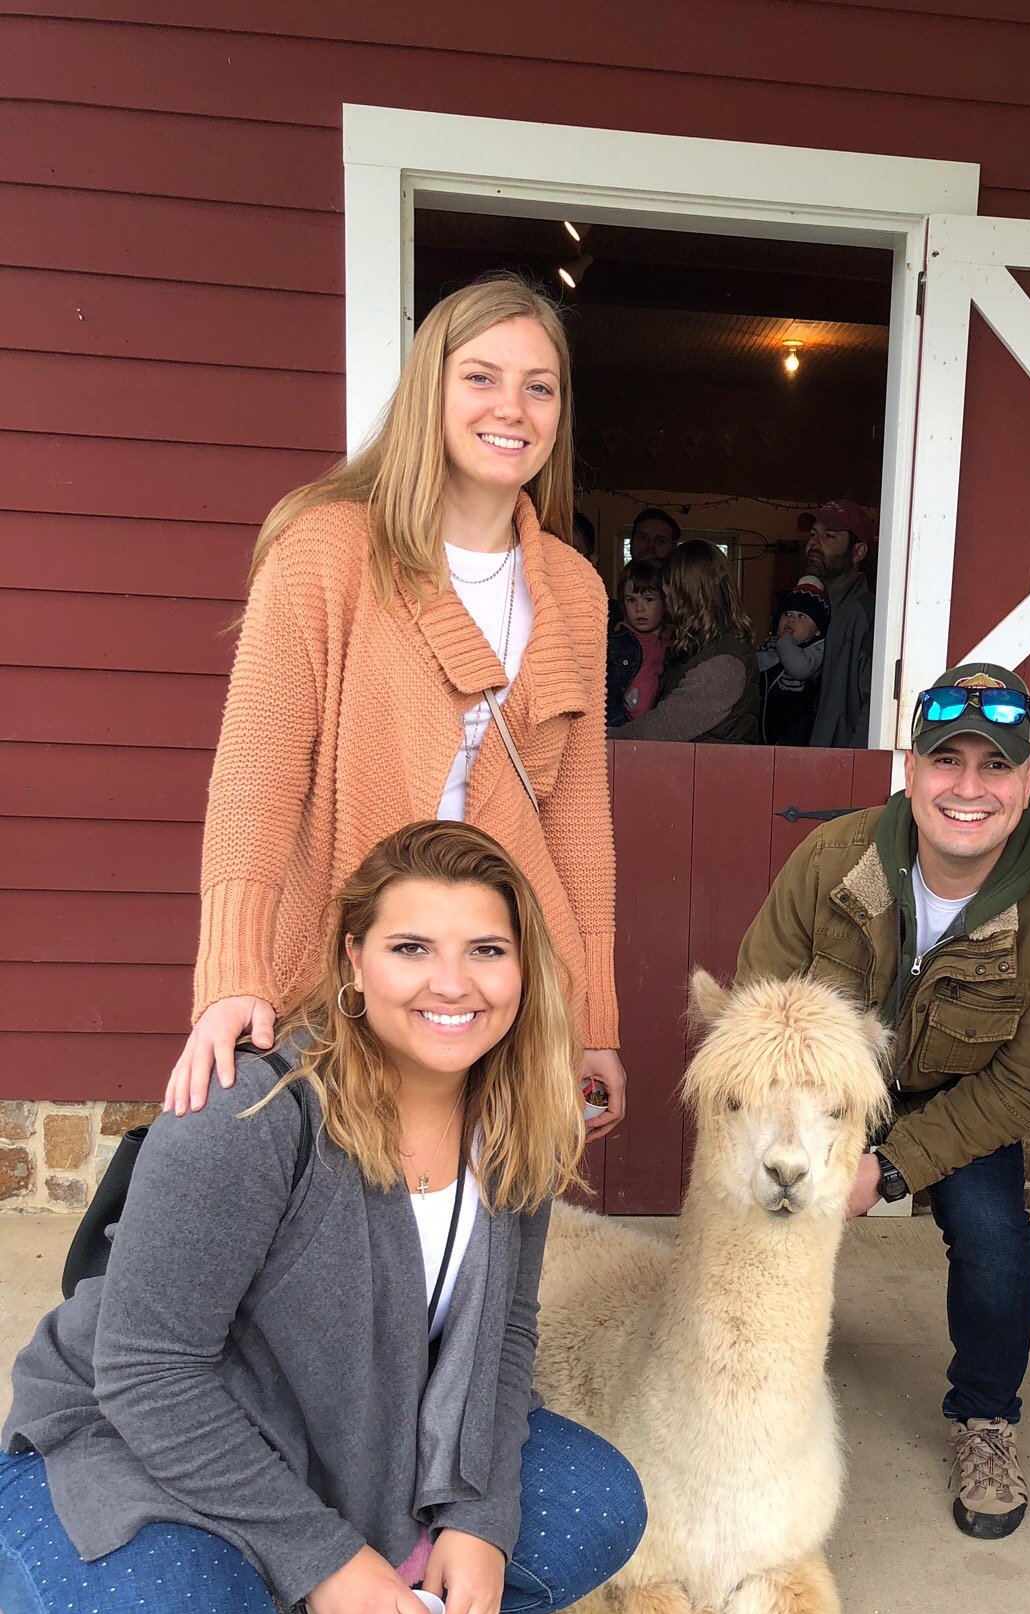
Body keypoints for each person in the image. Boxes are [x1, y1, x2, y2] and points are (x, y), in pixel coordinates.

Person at [0, 822, 646, 1614]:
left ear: (526, 968)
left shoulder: (520, 1118)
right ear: (352, 961)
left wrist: (480, 1516)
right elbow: (147, 1371)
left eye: (487, 949)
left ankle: (313, 1602)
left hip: (346, 1434)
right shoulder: (252, 1111)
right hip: (133, 1439)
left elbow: (505, 1340)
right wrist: (325, 1554)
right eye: (410, 948)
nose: (454, 982)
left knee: (586, 1510)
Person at [163, 273, 625, 1142]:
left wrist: (593, 1020)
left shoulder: (576, 588)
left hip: (500, 987)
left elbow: (579, 821)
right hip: (348, 972)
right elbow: (256, 776)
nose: (512, 409)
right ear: (430, 391)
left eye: (540, 387)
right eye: (481, 377)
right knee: (336, 1244)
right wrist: (233, 971)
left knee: (486, 1239)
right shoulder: (326, 550)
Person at [737, 664, 1030, 1535]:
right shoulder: (834, 860)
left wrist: (891, 1168)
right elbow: (761, 999)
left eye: (995, 766)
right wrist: (812, 1134)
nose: (968, 788)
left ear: (1029, 781)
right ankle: (749, 1378)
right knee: (762, 1200)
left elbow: (1023, 1080)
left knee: (994, 1240)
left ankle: (986, 1418)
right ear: (913, 768)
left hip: (962, 1095)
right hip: (824, 1087)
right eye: (949, 761)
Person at [621, 540, 760, 744]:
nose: (667, 606)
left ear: (687, 598)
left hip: (714, 773)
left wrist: (599, 740)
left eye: (669, 598)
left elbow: (662, 729)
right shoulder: (696, 646)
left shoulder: (723, 663)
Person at [803, 499, 877, 749]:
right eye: (813, 534)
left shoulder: (867, 614)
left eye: (829, 536)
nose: (814, 543)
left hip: (839, 766)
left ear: (858, 552)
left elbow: (875, 703)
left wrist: (856, 767)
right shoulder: (801, 607)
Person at [759, 574, 830, 747]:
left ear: (817, 631)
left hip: (794, 734)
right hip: (762, 729)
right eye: (787, 613)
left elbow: (799, 668)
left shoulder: (817, 649)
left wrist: (785, 641)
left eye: (801, 616)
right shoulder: (770, 644)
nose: (791, 619)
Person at [605, 557, 672, 728]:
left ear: (666, 601)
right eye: (631, 600)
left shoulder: (676, 641)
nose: (639, 609)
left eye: (649, 600)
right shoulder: (615, 644)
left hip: (662, 733)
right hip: (623, 730)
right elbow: (607, 697)